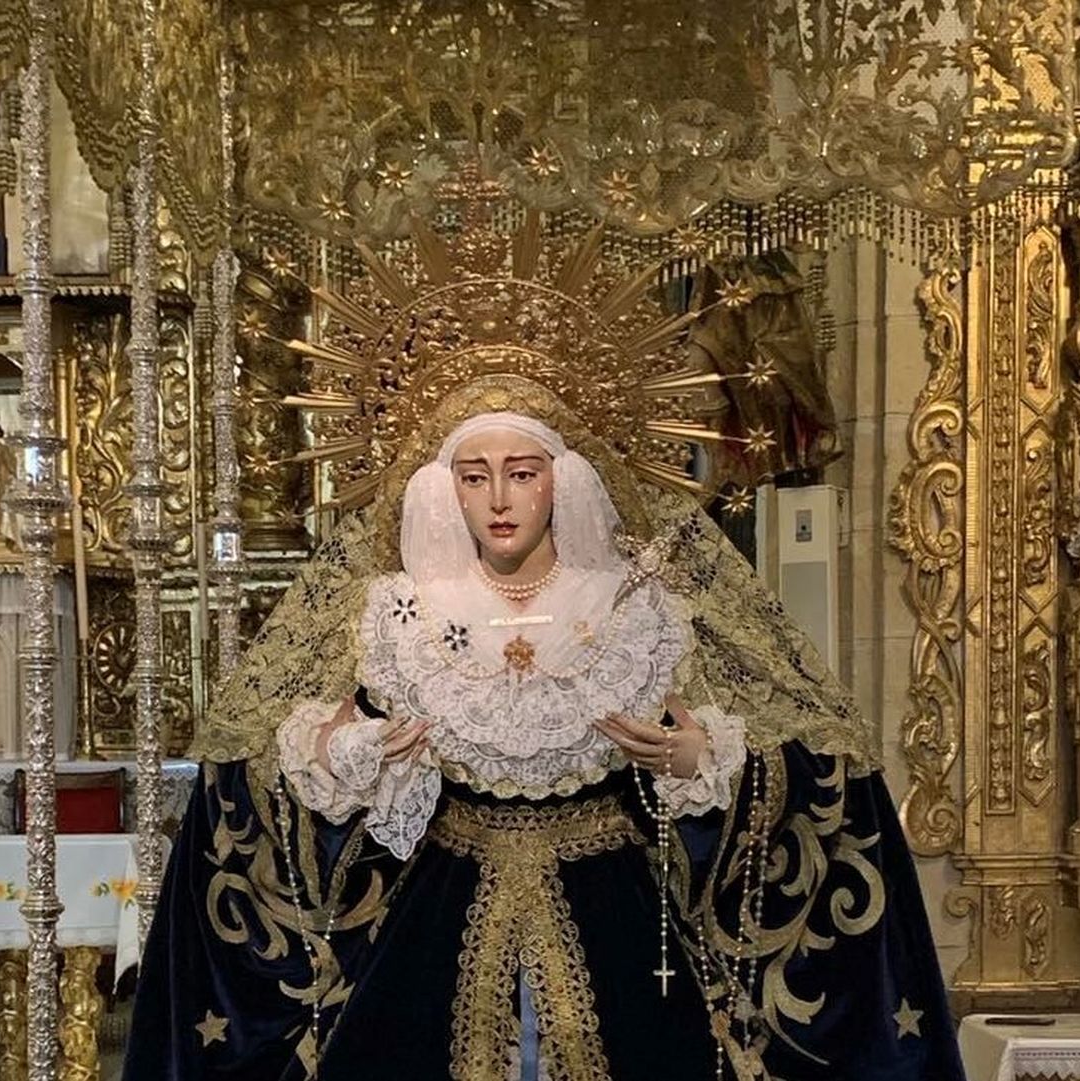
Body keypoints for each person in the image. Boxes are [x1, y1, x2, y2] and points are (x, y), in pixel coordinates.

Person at [124, 376, 964, 1080]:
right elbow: (265, 760)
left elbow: (796, 742)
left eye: (520, 472)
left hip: (617, 907)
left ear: (560, 479)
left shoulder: (636, 605)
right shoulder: (402, 617)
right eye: (474, 475)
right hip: (440, 903)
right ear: (441, 488)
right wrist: (347, 751)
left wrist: (696, 754)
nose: (498, 498)